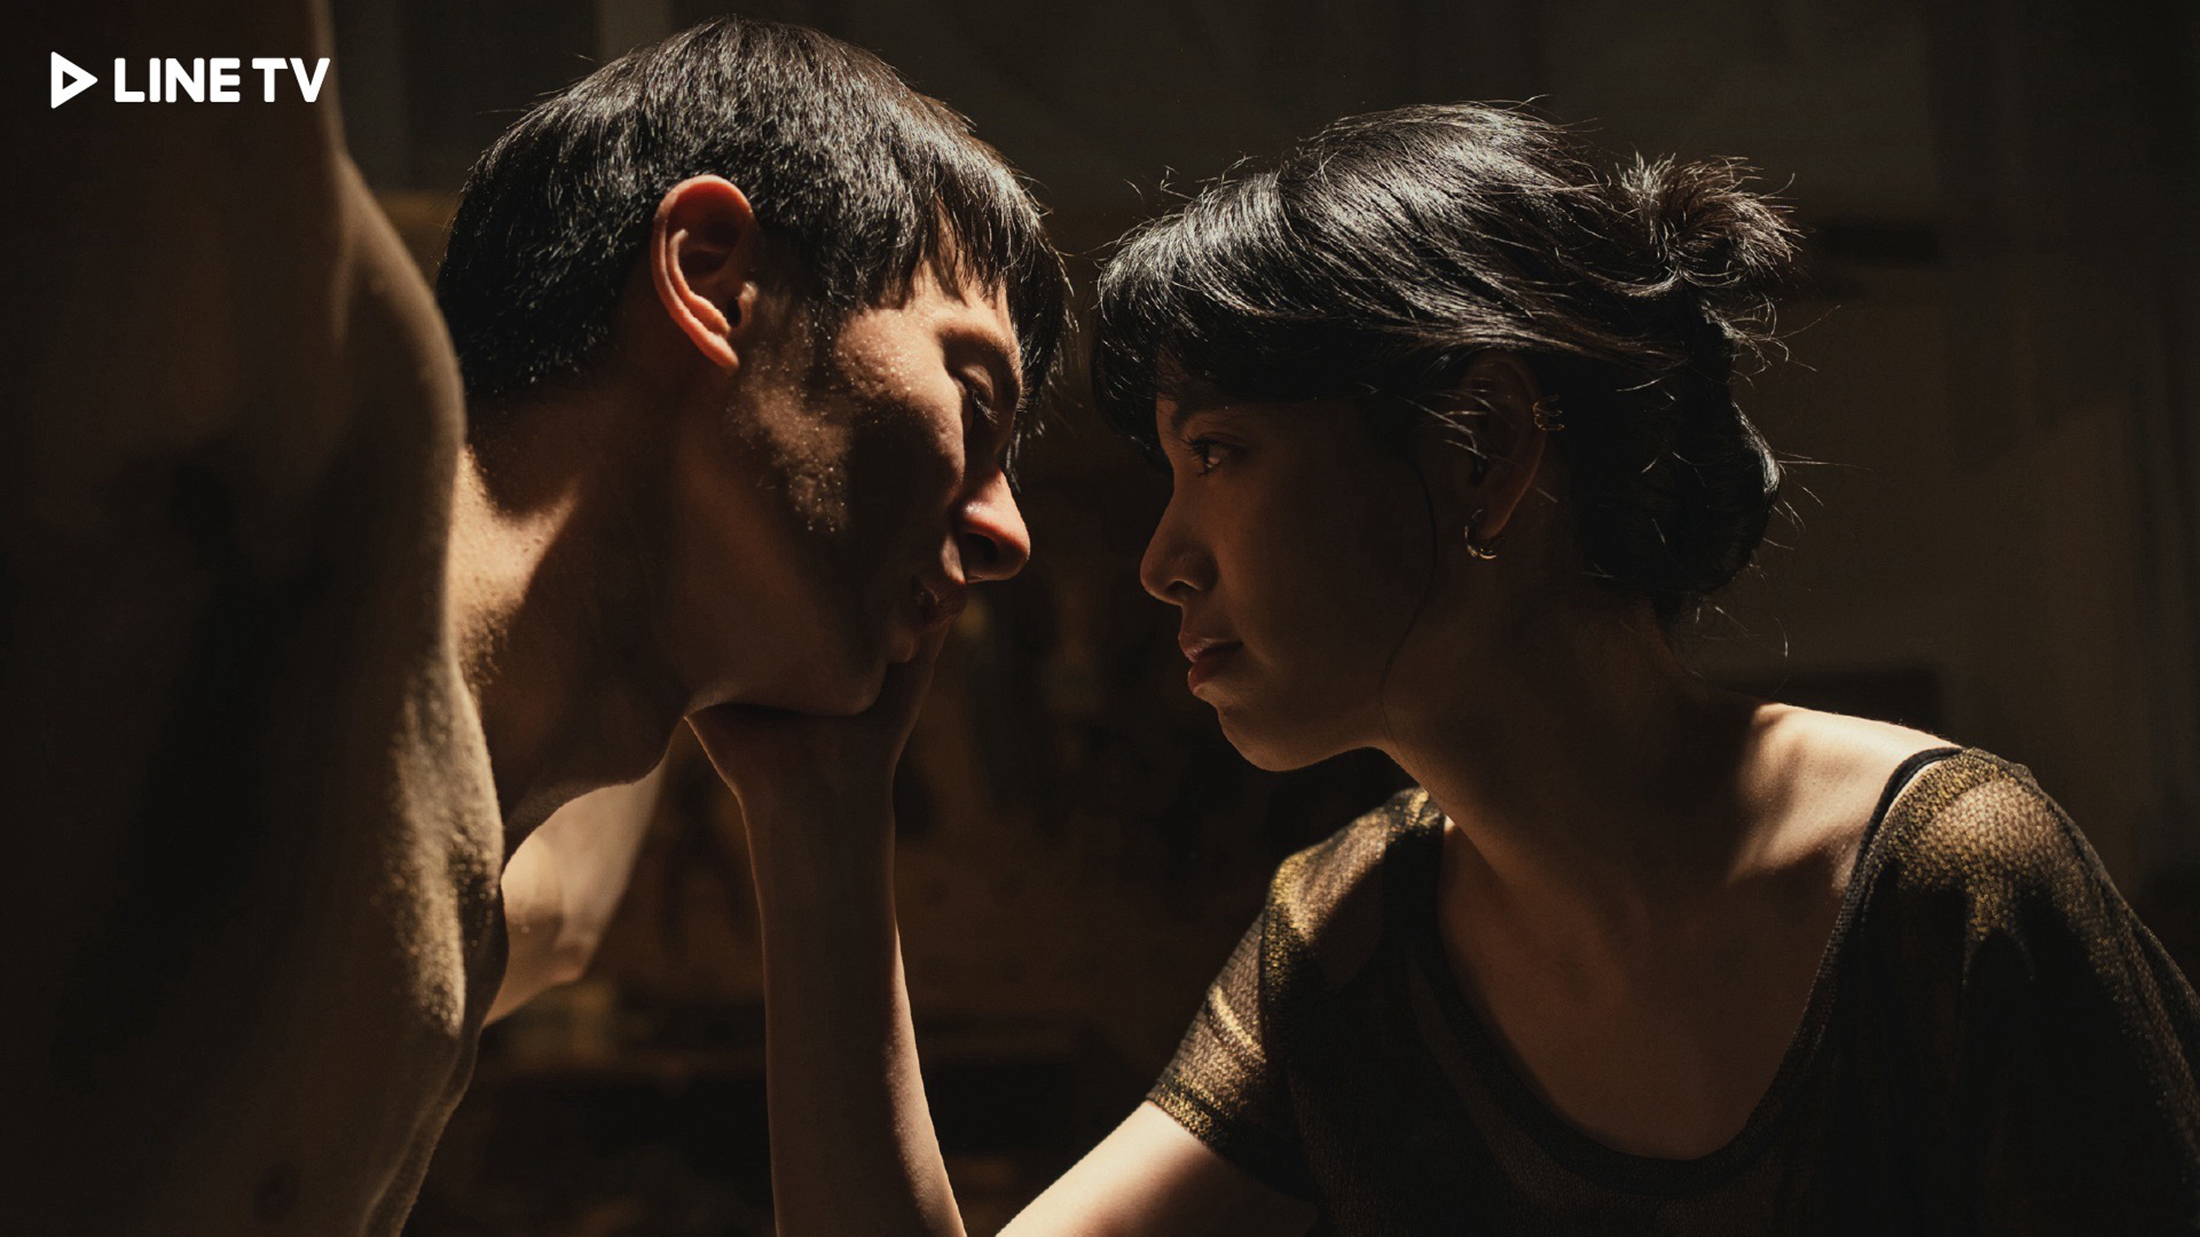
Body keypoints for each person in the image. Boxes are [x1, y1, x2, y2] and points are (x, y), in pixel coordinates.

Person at [696, 104, 2200, 1233]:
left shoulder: (1949, 890)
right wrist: (820, 811)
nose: (1160, 561)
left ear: (1485, 447)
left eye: (1216, 452)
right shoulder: (1353, 945)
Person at [4, 6, 1065, 1232]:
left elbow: (566, 914)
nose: (1008, 535)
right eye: (971, 401)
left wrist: (821, 802)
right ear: (714, 278)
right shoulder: (297, 460)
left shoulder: (451, 888)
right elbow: (116, 68)